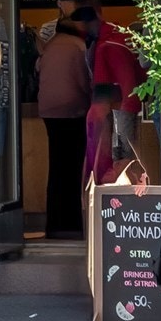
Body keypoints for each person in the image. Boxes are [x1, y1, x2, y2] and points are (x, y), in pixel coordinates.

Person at [36, 16, 90, 237]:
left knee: (56, 167)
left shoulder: (49, 47)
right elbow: (84, 81)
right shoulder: (79, 46)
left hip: (49, 112)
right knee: (73, 169)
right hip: (72, 111)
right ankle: (71, 225)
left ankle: (54, 224)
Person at [87, 8, 144, 165]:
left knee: (119, 152)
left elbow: (124, 79)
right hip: (119, 102)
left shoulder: (107, 44)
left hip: (114, 102)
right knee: (123, 152)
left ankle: (122, 177)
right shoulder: (111, 42)